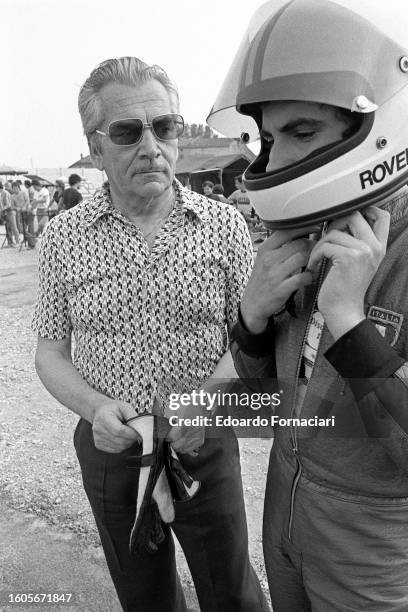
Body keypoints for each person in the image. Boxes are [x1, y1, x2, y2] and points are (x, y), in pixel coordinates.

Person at [32, 56, 268, 612]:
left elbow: (250, 334)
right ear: (96, 149)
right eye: (126, 131)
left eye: (164, 127)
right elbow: (49, 351)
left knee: (231, 590)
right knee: (144, 597)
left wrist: (205, 402)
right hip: (114, 449)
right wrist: (95, 409)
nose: (150, 145)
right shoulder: (64, 236)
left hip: (202, 443)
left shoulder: (224, 226)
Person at [207, 1, 408, 610]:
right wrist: (251, 316)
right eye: (269, 138)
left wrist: (349, 320)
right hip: (286, 501)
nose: (280, 159)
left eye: (303, 131)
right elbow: (268, 400)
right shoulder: (303, 238)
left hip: (371, 539)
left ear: (375, 130)